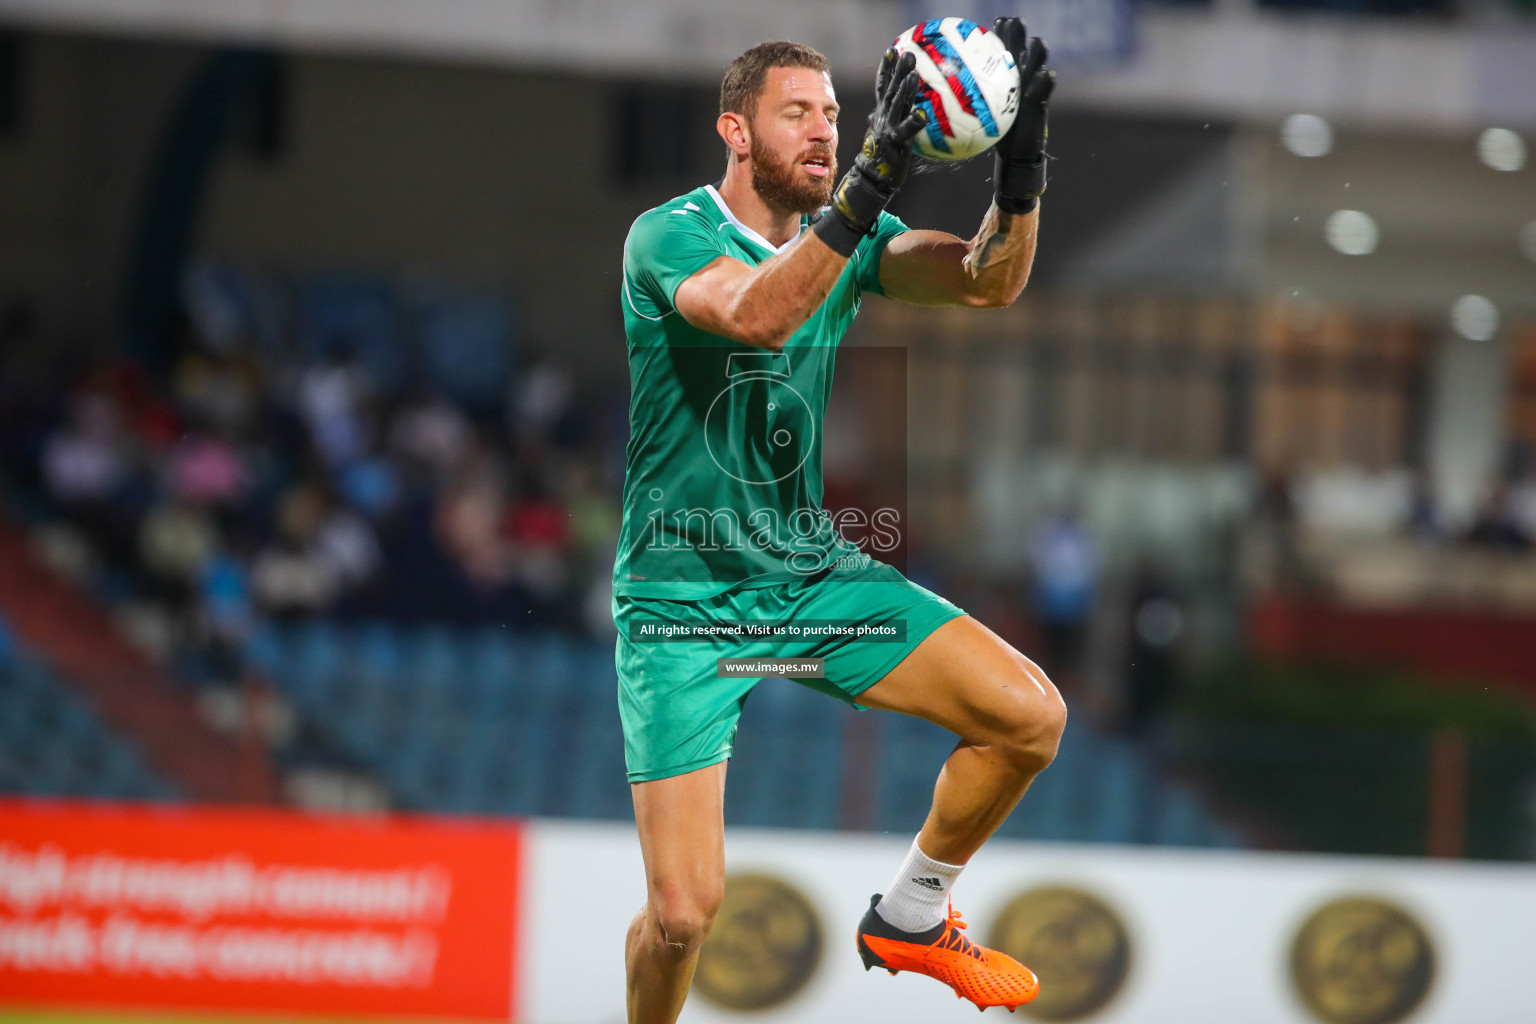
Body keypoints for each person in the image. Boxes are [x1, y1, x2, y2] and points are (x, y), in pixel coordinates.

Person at [614, 22, 1063, 1021]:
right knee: (684, 915)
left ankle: (912, 911)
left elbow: (989, 280)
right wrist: (868, 185)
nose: (826, 131)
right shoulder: (667, 235)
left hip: (806, 576)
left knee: (1029, 717)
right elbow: (757, 312)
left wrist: (1022, 165)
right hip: (680, 600)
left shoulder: (849, 241)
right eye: (798, 114)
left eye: (836, 114)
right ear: (735, 128)